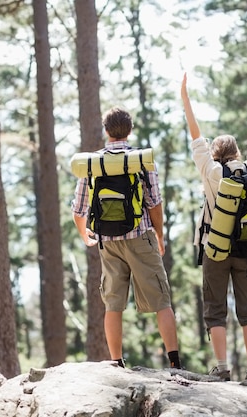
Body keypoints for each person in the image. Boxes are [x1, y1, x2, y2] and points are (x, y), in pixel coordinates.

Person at [181, 73, 247, 381]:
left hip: (215, 250)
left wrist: (186, 99)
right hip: (246, 249)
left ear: (215, 154)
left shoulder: (211, 170)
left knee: (215, 310)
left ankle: (222, 367)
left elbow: (195, 135)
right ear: (238, 153)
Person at [71, 107, 182, 369]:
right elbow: (155, 204)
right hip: (140, 235)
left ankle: (116, 362)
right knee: (161, 300)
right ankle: (175, 363)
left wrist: (85, 235)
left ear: (106, 130)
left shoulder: (93, 164)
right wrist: (160, 236)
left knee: (113, 303)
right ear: (129, 130)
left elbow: (78, 209)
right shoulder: (140, 159)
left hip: (107, 241)